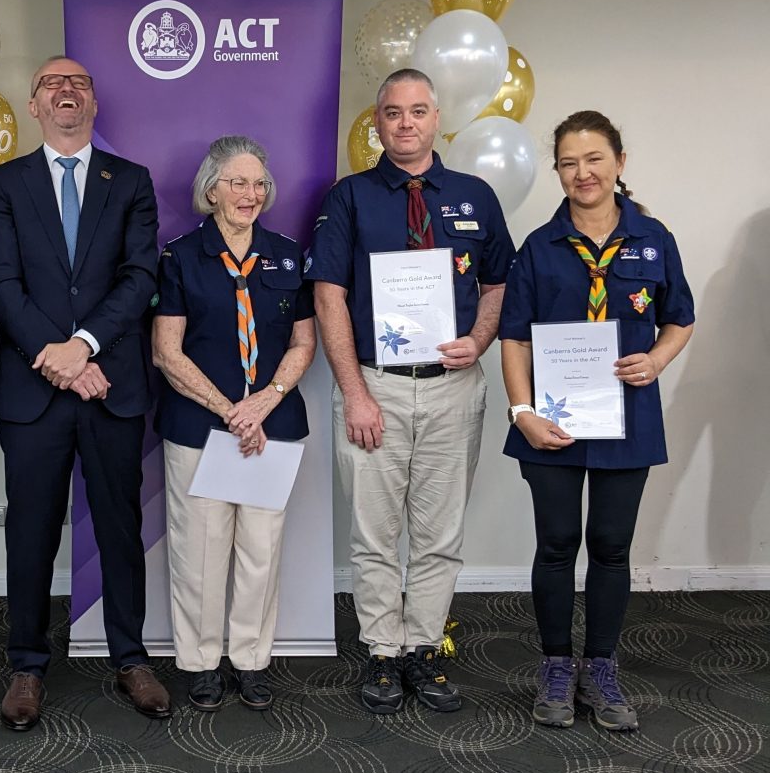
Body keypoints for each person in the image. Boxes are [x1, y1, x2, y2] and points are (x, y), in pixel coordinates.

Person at [306, 68, 516, 715]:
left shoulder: (475, 195)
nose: (406, 123)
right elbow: (328, 295)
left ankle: (423, 649)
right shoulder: (349, 198)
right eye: (393, 113)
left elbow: (499, 282)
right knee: (374, 533)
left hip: (454, 386)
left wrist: (479, 340)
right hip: (376, 386)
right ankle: (381, 651)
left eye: (418, 111)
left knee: (438, 531)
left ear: (435, 118)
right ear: (377, 122)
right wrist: (355, 391)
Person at [0, 55, 166, 730]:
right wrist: (57, 358)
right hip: (33, 391)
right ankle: (27, 664)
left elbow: (140, 275)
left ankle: (131, 656)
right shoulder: (3, 184)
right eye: (52, 82)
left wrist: (82, 345)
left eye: (79, 81)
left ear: (93, 102)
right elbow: (1, 283)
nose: (66, 89)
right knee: (29, 531)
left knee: (121, 525)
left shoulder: (133, 181)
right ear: (34, 105)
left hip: (110, 382)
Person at [500, 110, 694, 731]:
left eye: (593, 159)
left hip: (627, 420)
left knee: (611, 548)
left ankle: (602, 667)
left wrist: (657, 360)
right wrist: (522, 413)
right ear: (557, 171)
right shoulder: (538, 248)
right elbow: (515, 340)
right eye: (568, 162)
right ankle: (556, 665)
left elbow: (680, 318)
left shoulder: (654, 238)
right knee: (556, 545)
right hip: (549, 424)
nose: (582, 173)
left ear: (619, 162)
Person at [152, 135, 316, 712]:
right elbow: (168, 353)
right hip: (201, 428)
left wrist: (265, 401)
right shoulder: (179, 256)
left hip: (272, 426)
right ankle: (200, 663)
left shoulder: (289, 254)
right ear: (211, 190)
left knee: (261, 550)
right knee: (199, 551)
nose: (250, 194)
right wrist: (230, 412)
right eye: (238, 183)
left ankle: (250, 661)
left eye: (259, 184)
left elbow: (303, 342)